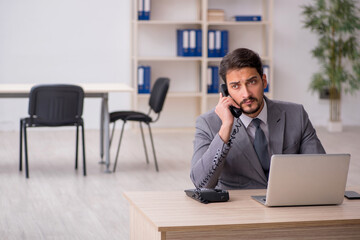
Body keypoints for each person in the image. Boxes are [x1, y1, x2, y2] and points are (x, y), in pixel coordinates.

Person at [190, 48, 325, 190]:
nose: (246, 94)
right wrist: (225, 128)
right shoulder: (208, 123)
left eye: (252, 82)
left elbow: (320, 170)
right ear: (226, 92)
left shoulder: (296, 114)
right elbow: (201, 183)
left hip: (287, 201)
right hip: (239, 207)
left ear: (264, 81)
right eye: (235, 86)